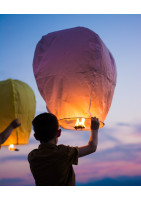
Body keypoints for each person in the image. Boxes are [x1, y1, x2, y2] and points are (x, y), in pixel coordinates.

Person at [28, 113, 100, 186]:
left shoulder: (32, 156)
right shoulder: (64, 153)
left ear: (36, 136)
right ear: (59, 133)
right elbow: (92, 147)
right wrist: (94, 129)